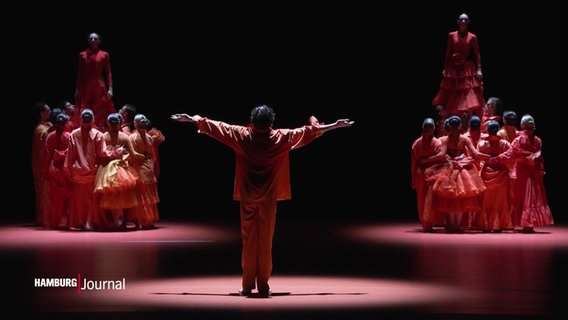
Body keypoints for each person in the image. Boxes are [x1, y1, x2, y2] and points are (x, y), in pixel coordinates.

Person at [171, 105, 354, 297]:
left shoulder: (241, 135)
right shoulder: (280, 137)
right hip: (268, 198)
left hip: (248, 196)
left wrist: (191, 119)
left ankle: (247, 285)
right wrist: (336, 125)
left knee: (248, 241)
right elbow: (309, 131)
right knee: (265, 242)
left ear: (253, 121)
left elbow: (214, 126)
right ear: (271, 122)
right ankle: (263, 286)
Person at [423, 115, 491, 233]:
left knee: (450, 198)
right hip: (456, 167)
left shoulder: (446, 139)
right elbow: (475, 154)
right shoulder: (462, 139)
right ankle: (455, 225)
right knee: (458, 198)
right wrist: (490, 157)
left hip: (453, 167)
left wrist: (426, 160)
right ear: (460, 126)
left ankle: (451, 224)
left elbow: (441, 155)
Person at [432, 13, 484, 127]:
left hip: (466, 67)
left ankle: (469, 125)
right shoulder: (451, 35)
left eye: (466, 20)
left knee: (467, 94)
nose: (463, 22)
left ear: (468, 22)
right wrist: (445, 68)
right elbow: (448, 51)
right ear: (458, 22)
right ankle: (450, 124)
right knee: (452, 94)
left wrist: (479, 69)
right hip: (453, 67)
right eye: (461, 20)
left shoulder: (472, 37)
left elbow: (477, 54)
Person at [94, 113, 145, 229]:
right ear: (119, 123)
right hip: (120, 169)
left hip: (108, 169)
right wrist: (144, 156)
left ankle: (113, 222)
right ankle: (122, 222)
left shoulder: (103, 136)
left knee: (109, 196)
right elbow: (133, 154)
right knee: (125, 196)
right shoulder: (123, 137)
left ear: (108, 123)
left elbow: (100, 154)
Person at [64, 109, 109, 230]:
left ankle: (80, 221)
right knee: (91, 200)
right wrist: (117, 153)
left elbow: (70, 154)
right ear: (93, 119)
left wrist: (68, 169)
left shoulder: (74, 133)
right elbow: (103, 153)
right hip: (91, 172)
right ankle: (88, 222)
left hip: (77, 172)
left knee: (79, 199)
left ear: (81, 119)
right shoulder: (98, 134)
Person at [508, 114, 554, 233]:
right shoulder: (538, 140)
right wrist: (534, 160)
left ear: (522, 125)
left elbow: (514, 153)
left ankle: (527, 223)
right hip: (533, 171)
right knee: (533, 197)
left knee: (523, 196)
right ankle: (530, 224)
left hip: (523, 172)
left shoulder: (518, 139)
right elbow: (539, 157)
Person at [476, 121, 513, 232]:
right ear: (497, 130)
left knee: (487, 200)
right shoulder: (505, 144)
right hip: (501, 174)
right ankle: (498, 225)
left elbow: (478, 157)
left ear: (487, 130)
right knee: (500, 200)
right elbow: (510, 157)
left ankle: (486, 225)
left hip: (486, 173)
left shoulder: (482, 144)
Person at [74, 32, 115, 132]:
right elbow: (80, 73)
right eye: (91, 39)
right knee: (84, 108)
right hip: (86, 86)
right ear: (88, 41)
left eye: (95, 39)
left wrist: (110, 88)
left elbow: (108, 72)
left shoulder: (104, 55)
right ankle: (84, 129)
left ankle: (98, 131)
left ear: (99, 41)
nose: (93, 40)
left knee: (100, 109)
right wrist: (77, 89)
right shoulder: (82, 55)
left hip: (99, 86)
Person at [411, 118, 446, 232]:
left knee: (422, 199)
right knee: (430, 199)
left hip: (420, 174)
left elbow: (413, 164)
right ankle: (429, 223)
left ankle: (425, 223)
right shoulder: (437, 142)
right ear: (433, 129)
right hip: (433, 174)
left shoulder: (416, 143)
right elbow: (441, 157)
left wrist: (413, 179)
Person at [127, 114, 160, 229]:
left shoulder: (140, 137)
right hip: (142, 169)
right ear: (135, 124)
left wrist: (146, 161)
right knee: (143, 196)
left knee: (143, 196)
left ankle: (144, 221)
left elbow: (151, 156)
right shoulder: (134, 137)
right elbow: (151, 156)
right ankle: (144, 221)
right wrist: (146, 159)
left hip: (144, 169)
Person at [43, 112, 72, 229]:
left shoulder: (50, 136)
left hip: (53, 167)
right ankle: (65, 220)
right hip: (64, 167)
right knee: (66, 196)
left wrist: (44, 171)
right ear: (65, 123)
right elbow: (71, 153)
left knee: (55, 196)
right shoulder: (69, 136)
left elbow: (47, 156)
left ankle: (55, 221)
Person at [31, 101, 52, 227]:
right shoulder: (40, 130)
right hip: (41, 165)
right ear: (41, 113)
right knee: (43, 193)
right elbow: (41, 151)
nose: (49, 112)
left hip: (46, 164)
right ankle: (44, 220)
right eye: (47, 110)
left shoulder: (48, 125)